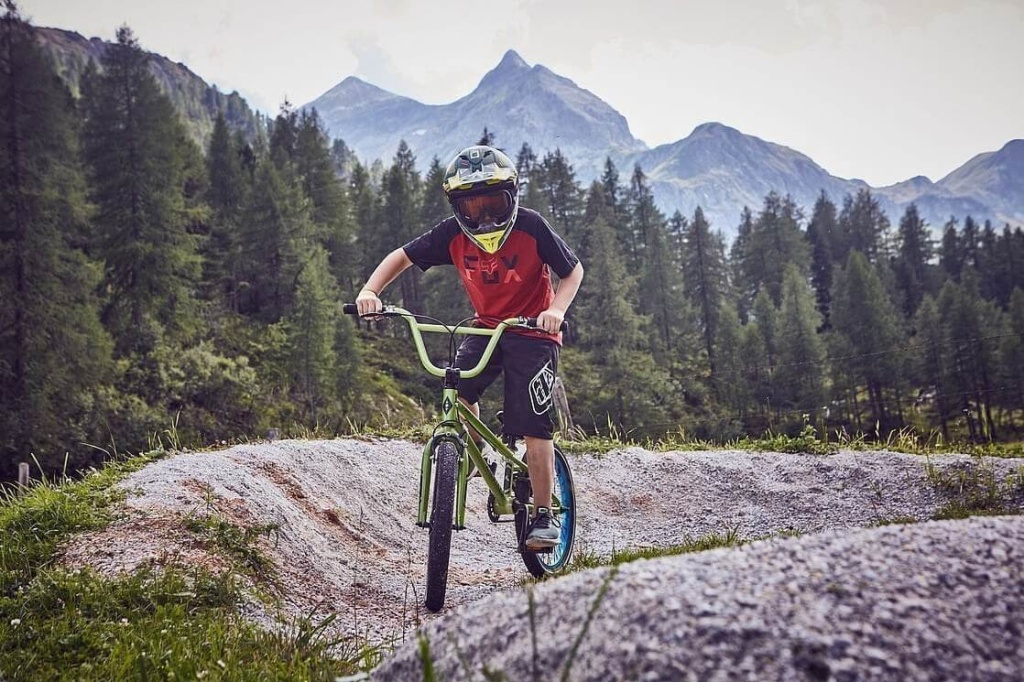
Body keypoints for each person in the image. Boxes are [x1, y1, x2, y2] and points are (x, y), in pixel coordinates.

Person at [355, 144, 584, 549]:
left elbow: (572, 270)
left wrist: (556, 309)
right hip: (486, 328)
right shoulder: (452, 235)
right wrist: (371, 291)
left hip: (533, 332)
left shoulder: (531, 227)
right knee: (457, 387)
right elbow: (402, 257)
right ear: (457, 207)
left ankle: (545, 515)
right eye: (472, 207)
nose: (484, 217)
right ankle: (474, 446)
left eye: (493, 204)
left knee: (533, 422)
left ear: (511, 197)